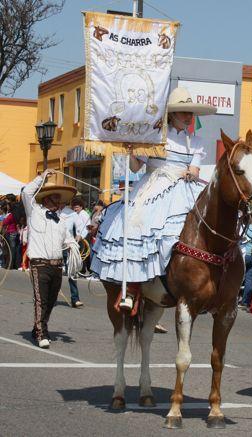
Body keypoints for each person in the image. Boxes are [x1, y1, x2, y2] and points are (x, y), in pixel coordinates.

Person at [91, 87, 216, 311]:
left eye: (190, 112)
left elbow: (195, 169)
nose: (189, 116)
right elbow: (136, 166)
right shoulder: (153, 137)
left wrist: (191, 172)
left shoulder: (196, 141)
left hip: (184, 188)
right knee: (136, 225)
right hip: (154, 186)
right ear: (173, 114)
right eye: (184, 112)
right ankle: (132, 286)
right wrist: (131, 151)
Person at [22, 170, 77, 348]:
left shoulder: (61, 221)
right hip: (39, 264)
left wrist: (74, 244)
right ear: (46, 200)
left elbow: (67, 239)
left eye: (59, 201)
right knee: (41, 300)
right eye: (55, 200)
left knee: (51, 301)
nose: (59, 204)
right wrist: (42, 177)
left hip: (56, 265)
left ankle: (38, 326)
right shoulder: (34, 212)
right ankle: (41, 333)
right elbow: (26, 192)